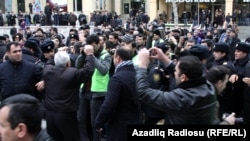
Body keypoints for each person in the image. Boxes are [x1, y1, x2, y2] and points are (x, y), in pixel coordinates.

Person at [136, 47, 217, 124]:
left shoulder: (181, 99)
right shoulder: (209, 86)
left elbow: (143, 92)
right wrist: (164, 58)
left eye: (175, 71)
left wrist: (142, 65)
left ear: (183, 77)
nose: (174, 72)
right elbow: (185, 71)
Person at [37, 48, 95, 141]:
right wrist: (90, 55)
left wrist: (58, 52)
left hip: (50, 113)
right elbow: (88, 71)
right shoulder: (72, 73)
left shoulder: (47, 70)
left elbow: (49, 62)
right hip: (66, 115)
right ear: (68, 63)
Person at [94, 47, 143, 141]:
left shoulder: (117, 79)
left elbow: (109, 104)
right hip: (137, 119)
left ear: (118, 58)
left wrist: (98, 122)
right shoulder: (138, 74)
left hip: (120, 126)